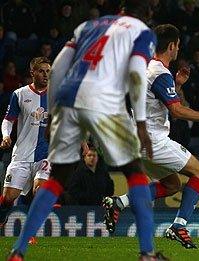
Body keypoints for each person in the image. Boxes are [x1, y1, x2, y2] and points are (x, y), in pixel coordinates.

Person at [7, 1, 163, 260]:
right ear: (147, 12)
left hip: (68, 97)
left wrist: (54, 112)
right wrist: (142, 123)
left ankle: (18, 251)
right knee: (134, 171)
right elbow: (136, 72)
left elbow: (57, 68)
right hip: (105, 99)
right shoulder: (142, 31)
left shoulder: (88, 26)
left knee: (57, 178)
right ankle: (147, 253)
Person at [102, 24, 199, 249]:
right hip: (154, 140)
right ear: (172, 46)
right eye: (178, 46)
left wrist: (177, 85)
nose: (178, 50)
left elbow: (160, 101)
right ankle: (179, 226)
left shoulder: (147, 69)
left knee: (172, 184)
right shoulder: (160, 73)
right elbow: (177, 111)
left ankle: (119, 202)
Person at [0, 57, 51, 227]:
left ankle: (30, 232)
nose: (45, 75)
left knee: (40, 191)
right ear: (32, 73)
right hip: (22, 154)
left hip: (45, 155)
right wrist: (6, 136)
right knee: (8, 198)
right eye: (41, 71)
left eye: (48, 71)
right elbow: (8, 119)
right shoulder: (20, 94)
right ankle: (1, 218)